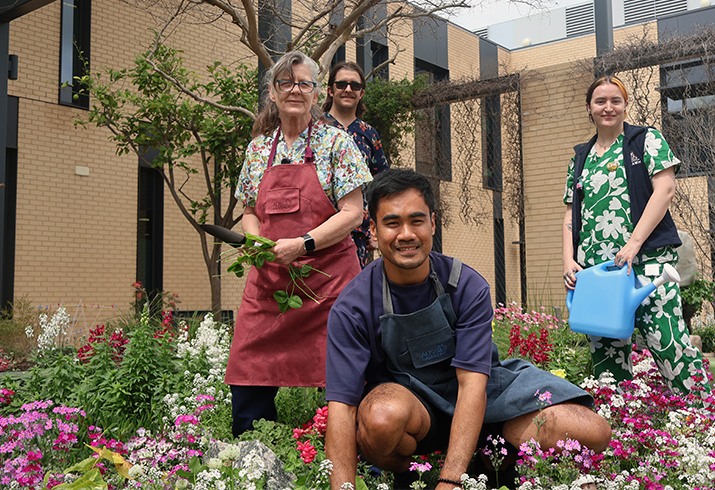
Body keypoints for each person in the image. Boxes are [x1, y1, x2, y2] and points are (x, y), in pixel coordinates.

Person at [326, 168, 612, 490]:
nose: (406, 234)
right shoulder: (353, 306)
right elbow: (341, 407)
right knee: (379, 421)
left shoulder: (465, 284)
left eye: (417, 221)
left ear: (433, 223)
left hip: (486, 396)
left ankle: (492, 454)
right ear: (374, 232)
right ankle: (411, 474)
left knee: (593, 431)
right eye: (392, 223)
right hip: (415, 410)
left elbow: (473, 385)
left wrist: (452, 481)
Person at [225, 51, 372, 437]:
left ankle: (349, 451)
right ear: (272, 93)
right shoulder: (257, 150)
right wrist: (256, 241)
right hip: (270, 281)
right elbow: (250, 210)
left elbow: (352, 213)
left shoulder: (336, 143)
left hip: (328, 284)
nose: (295, 90)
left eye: (304, 83)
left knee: (345, 371)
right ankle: (253, 456)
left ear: (315, 92)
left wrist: (302, 243)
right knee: (248, 365)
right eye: (286, 83)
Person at [562, 75, 711, 397]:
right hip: (598, 272)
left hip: (650, 264)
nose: (608, 107)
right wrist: (569, 261)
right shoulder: (580, 157)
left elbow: (665, 189)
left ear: (625, 105)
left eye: (616, 100)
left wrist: (633, 243)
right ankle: (619, 429)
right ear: (589, 107)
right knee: (606, 353)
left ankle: (702, 417)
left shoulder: (647, 140)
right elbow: (570, 214)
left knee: (669, 343)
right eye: (600, 101)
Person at [323, 61, 389, 268]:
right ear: (330, 90)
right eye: (341, 84)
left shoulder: (368, 134)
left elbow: (382, 185)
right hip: (316, 230)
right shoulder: (313, 129)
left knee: (352, 295)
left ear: (361, 93)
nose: (348, 89)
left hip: (356, 234)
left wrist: (376, 229)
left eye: (355, 85)